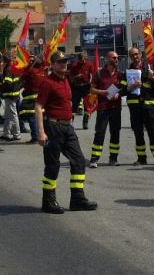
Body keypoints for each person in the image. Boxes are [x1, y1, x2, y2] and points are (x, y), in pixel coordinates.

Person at [37, 51, 98, 214]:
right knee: (53, 165)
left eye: (65, 61)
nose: (63, 64)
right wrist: (41, 133)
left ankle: (77, 199)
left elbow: (83, 81)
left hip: (67, 127)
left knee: (78, 161)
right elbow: (38, 107)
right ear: (53, 65)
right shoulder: (48, 83)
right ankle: (48, 201)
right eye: (60, 62)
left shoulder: (66, 80)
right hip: (53, 127)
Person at [125, 47, 154, 166]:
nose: (135, 57)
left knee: (153, 133)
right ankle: (141, 158)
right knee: (138, 134)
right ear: (130, 57)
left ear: (140, 54)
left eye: (136, 54)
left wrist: (153, 78)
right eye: (132, 55)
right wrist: (130, 86)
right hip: (135, 108)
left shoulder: (149, 69)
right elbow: (122, 89)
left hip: (149, 107)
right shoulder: (127, 72)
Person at [89, 50, 125, 168]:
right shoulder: (99, 73)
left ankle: (113, 159)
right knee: (100, 133)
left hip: (116, 108)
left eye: (117, 58)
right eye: (114, 58)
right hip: (103, 108)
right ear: (107, 59)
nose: (116, 60)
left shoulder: (120, 74)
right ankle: (94, 159)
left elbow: (123, 88)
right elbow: (92, 89)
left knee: (115, 133)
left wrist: (118, 94)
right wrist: (103, 92)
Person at [19, 60, 43, 144]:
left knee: (31, 117)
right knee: (40, 117)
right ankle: (41, 135)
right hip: (41, 96)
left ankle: (35, 137)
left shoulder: (31, 71)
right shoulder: (43, 71)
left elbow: (21, 78)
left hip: (30, 97)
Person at [0, 62, 22, 141]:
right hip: (13, 95)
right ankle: (6, 133)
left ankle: (17, 134)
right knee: (8, 115)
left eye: (1, 63)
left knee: (13, 115)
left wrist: (0, 86)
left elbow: (7, 84)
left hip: (10, 95)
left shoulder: (8, 70)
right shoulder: (15, 69)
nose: (0, 65)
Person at [69, 54, 94, 129]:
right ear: (78, 59)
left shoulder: (89, 65)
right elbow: (71, 77)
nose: (82, 60)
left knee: (87, 106)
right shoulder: (74, 66)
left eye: (83, 59)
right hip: (77, 88)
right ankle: (70, 123)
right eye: (80, 59)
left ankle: (85, 123)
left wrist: (91, 83)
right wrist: (75, 78)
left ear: (84, 58)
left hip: (86, 87)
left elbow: (93, 74)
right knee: (74, 106)